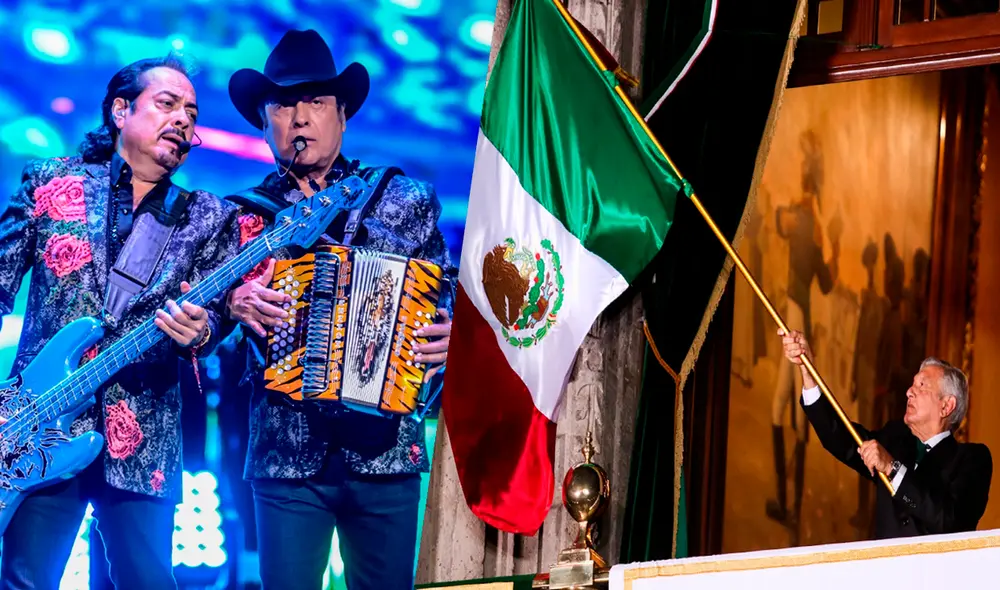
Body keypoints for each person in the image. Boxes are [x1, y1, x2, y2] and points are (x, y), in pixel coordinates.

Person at [220, 29, 454, 590]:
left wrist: (454, 336)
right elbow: (208, 335)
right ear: (264, 122)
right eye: (282, 104)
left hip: (386, 455)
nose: (299, 117)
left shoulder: (403, 198)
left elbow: (445, 300)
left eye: (316, 102)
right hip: (285, 457)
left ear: (342, 115)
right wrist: (233, 305)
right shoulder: (241, 219)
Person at [0, 56, 241, 589]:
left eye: (191, 112)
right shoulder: (49, 182)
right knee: (25, 579)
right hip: (36, 427)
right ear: (119, 110)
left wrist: (200, 332)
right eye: (167, 103)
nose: (183, 118)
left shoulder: (208, 217)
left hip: (144, 436)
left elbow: (216, 324)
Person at [780, 328, 993, 539]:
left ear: (946, 406)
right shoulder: (895, 439)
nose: (909, 391)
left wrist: (892, 468)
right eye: (912, 384)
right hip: (882, 572)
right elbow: (839, 437)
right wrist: (808, 373)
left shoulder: (972, 460)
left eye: (921, 385)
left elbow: (951, 522)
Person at [766, 130, 839, 543]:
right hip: (799, 314)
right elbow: (827, 283)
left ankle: (788, 503)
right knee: (789, 410)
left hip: (796, 316)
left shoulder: (805, 222)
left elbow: (780, 223)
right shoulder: (813, 229)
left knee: (787, 409)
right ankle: (787, 503)